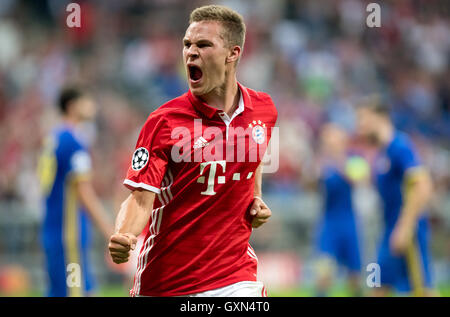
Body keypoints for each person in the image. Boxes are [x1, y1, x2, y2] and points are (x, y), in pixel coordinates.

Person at [108, 5, 277, 297]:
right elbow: (139, 198)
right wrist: (125, 234)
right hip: (169, 282)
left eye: (203, 44)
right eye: (187, 44)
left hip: (236, 278)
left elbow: (255, 157)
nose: (190, 52)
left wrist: (256, 197)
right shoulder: (164, 121)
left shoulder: (263, 110)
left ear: (233, 53)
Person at [37, 87, 113, 297]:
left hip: (54, 230)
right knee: (76, 292)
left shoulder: (53, 139)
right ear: (72, 106)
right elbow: (84, 193)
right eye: (86, 101)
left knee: (69, 291)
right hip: (68, 233)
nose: (92, 106)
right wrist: (109, 230)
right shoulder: (73, 142)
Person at [356, 98, 435, 296]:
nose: (360, 126)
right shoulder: (384, 153)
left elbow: (423, 185)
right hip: (388, 231)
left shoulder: (401, 147)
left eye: (363, 119)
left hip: (408, 233)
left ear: (380, 118)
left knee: (422, 291)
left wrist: (405, 227)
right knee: (376, 285)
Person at [313, 123, 366, 297]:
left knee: (355, 275)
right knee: (324, 272)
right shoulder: (322, 164)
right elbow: (310, 184)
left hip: (349, 222)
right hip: (329, 222)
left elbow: (357, 179)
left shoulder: (353, 160)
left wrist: (337, 157)